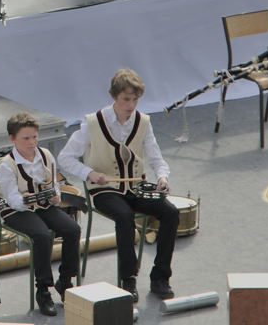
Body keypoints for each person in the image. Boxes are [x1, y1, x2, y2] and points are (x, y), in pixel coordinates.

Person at [58, 69, 178, 301]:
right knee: (124, 216)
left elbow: (155, 157)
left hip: (136, 187)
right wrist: (90, 173)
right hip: (105, 190)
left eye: (135, 99)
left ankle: (160, 277)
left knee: (171, 213)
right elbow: (65, 158)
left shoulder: (143, 122)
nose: (131, 105)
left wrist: (162, 176)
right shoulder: (92, 123)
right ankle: (128, 279)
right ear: (114, 96)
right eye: (126, 99)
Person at [0, 112, 80, 314]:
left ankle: (65, 280)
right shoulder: (5, 166)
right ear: (12, 139)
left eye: (34, 137)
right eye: (26, 138)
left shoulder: (45, 155)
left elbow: (55, 183)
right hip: (16, 211)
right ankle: (43, 290)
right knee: (42, 235)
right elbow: (13, 200)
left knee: (72, 229)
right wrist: (30, 198)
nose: (32, 142)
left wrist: (55, 196)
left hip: (42, 206)